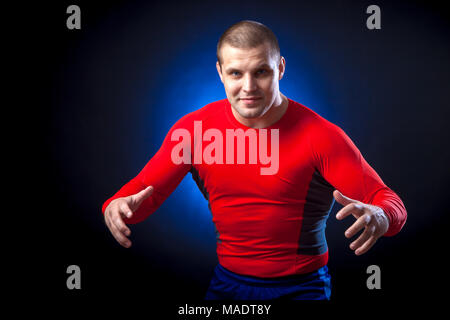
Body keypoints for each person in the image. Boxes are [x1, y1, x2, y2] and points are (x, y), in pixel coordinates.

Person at [101, 20, 407, 300]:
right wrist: (114, 206)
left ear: (281, 68)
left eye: (261, 71)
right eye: (236, 73)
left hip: (302, 288)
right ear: (220, 72)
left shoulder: (321, 136)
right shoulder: (193, 132)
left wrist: (381, 216)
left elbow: (388, 201)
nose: (248, 87)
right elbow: (141, 195)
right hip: (227, 286)